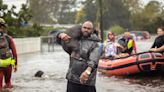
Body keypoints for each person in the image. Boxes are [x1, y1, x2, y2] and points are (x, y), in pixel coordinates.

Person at [55, 21, 100, 92]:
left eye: (89, 28)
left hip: (87, 81)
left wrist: (87, 71)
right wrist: (60, 34)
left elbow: (94, 60)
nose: (86, 30)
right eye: (84, 27)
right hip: (72, 79)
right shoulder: (75, 39)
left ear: (92, 30)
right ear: (81, 28)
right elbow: (62, 42)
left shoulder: (95, 44)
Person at [0, 18, 17, 89]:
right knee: (8, 84)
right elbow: (14, 53)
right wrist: (15, 65)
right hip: (8, 62)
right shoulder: (8, 38)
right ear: (3, 26)